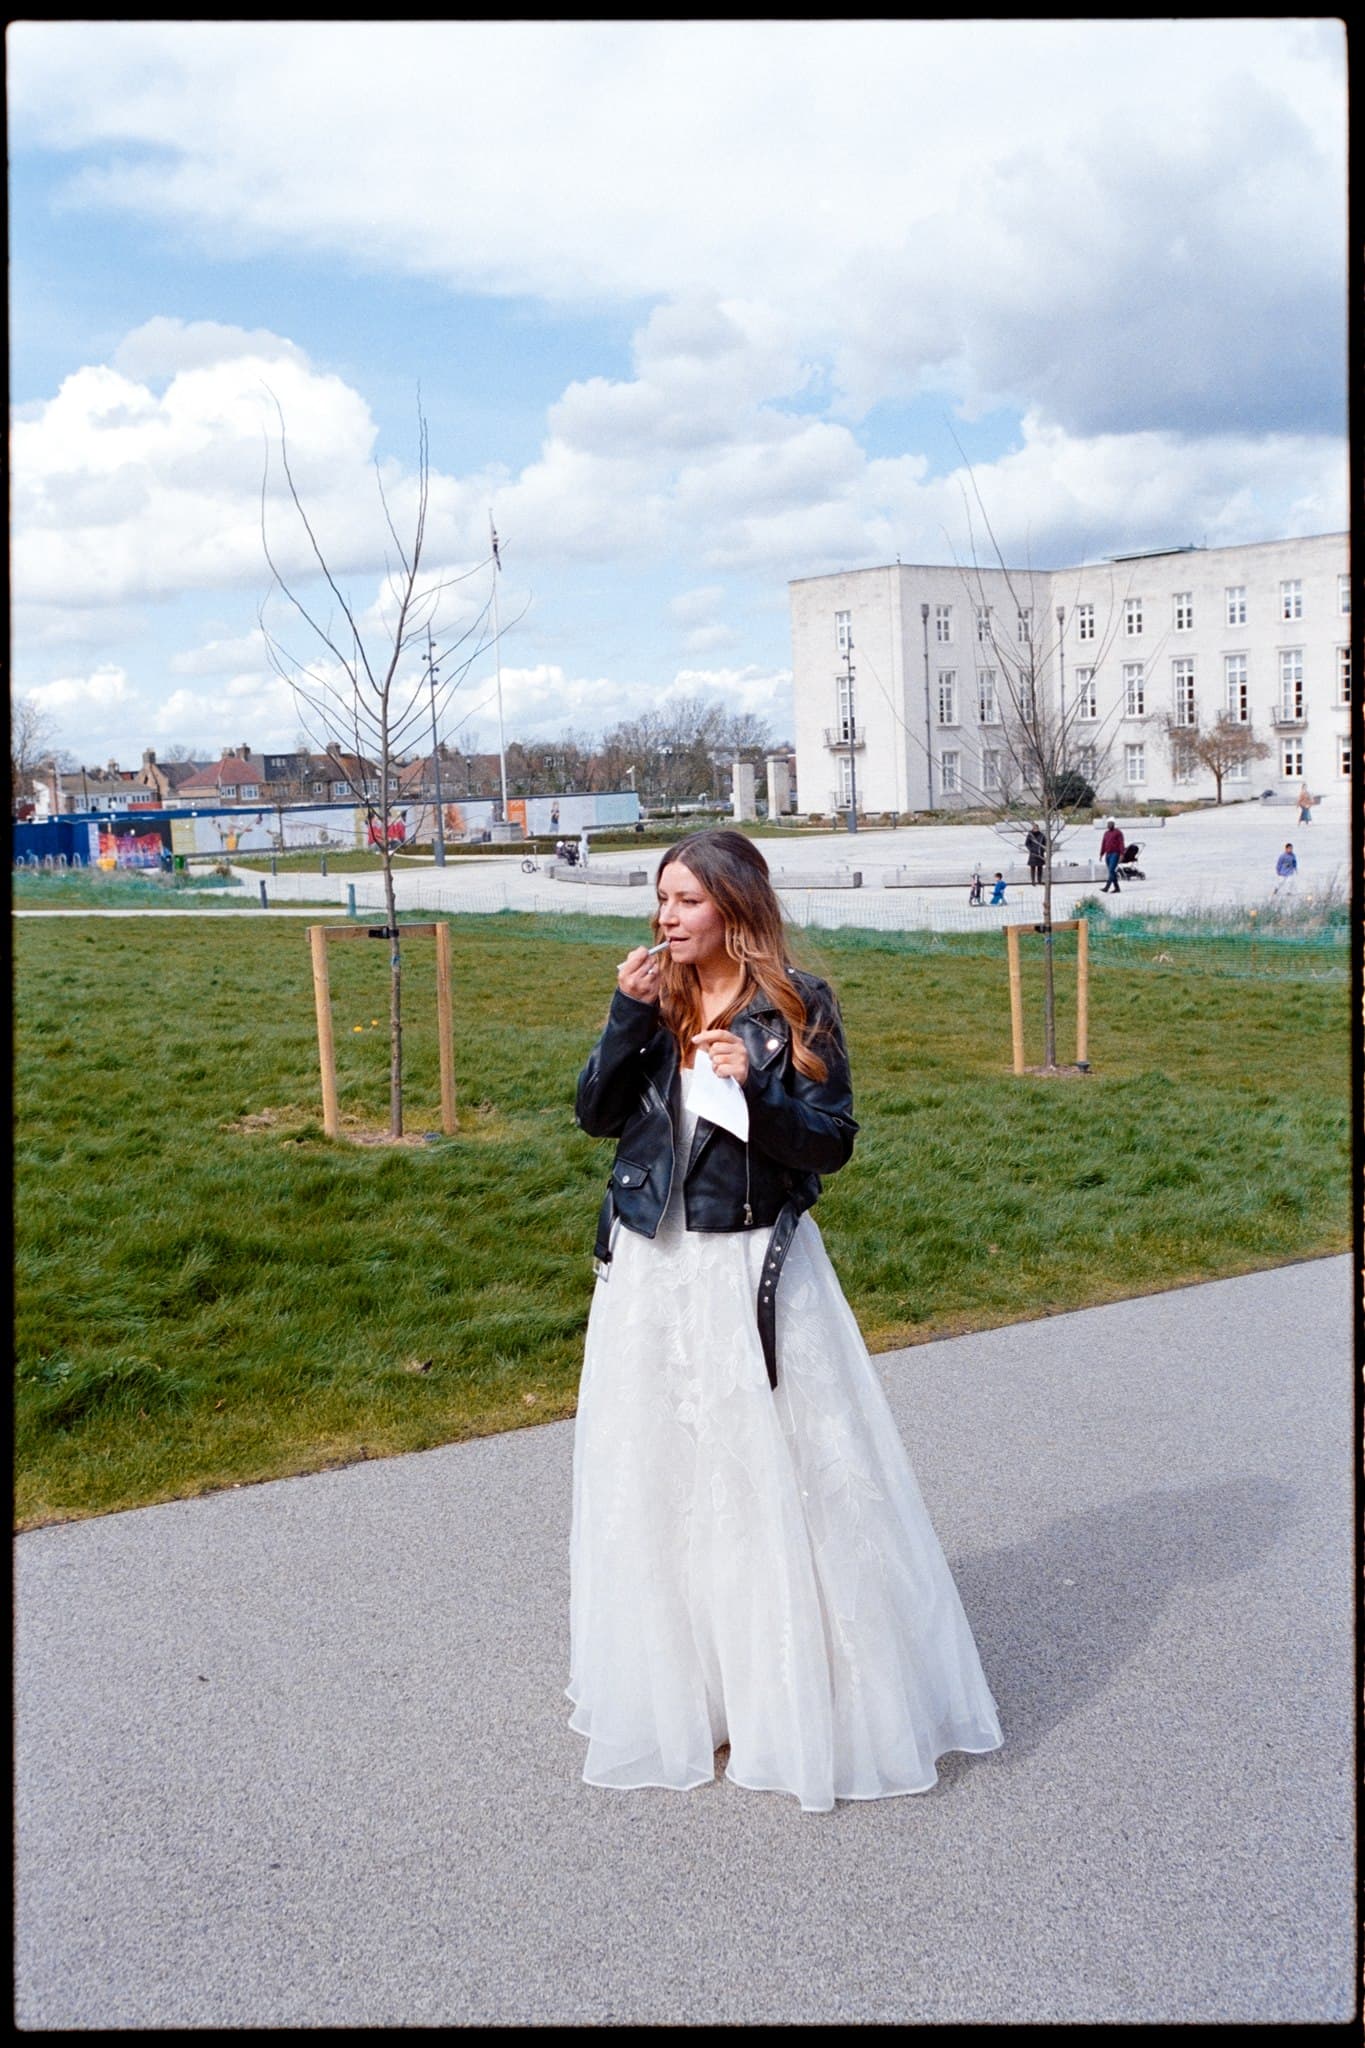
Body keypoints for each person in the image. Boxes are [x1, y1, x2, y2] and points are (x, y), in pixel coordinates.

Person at [570, 830, 1002, 1812]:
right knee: (668, 1481)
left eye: (684, 899)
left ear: (732, 906)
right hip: (650, 1273)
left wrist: (748, 1093)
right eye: (660, 898)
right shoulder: (657, 996)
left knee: (773, 1474)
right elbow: (596, 1114)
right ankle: (695, 1688)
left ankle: (789, 1686)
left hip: (749, 1270)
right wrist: (625, 1015)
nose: (665, 917)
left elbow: (832, 1142)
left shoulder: (797, 1005)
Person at [1100, 818, 1125, 893]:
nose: (1109, 825)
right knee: (1111, 872)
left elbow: (1121, 843)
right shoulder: (1106, 833)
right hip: (1108, 854)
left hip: (1115, 853)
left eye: (1111, 823)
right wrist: (1101, 854)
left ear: (1113, 824)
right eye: (1108, 823)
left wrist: (1121, 854)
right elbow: (1103, 843)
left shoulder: (1118, 832)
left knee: (1111, 870)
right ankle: (1117, 888)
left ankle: (1107, 887)